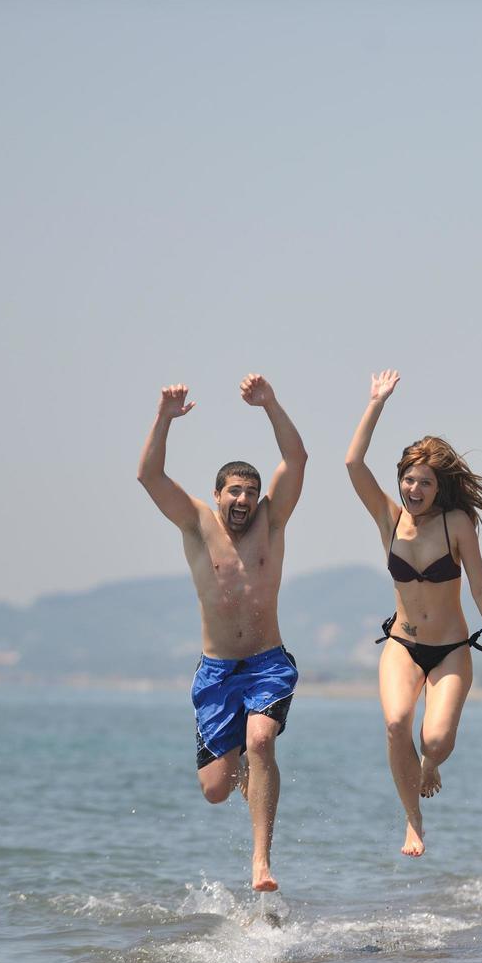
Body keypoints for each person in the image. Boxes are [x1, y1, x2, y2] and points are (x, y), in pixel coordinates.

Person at [345, 369, 482, 858]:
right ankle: (413, 821)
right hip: (403, 644)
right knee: (395, 724)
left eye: (423, 481)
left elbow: (481, 588)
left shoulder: (457, 523)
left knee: (437, 739)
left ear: (438, 486)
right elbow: (352, 462)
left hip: (450, 650)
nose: (413, 488)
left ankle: (430, 766)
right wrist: (376, 403)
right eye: (407, 478)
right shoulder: (388, 518)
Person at [136, 375, 307, 892]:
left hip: (268, 663)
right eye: (235, 490)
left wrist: (271, 404)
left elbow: (296, 460)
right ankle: (247, 782)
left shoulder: (272, 523)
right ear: (217, 495)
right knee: (215, 789)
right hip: (215, 671)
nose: (245, 499)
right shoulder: (196, 523)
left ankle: (260, 861)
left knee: (261, 740)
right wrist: (164, 417)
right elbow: (149, 475)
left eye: (252, 492)